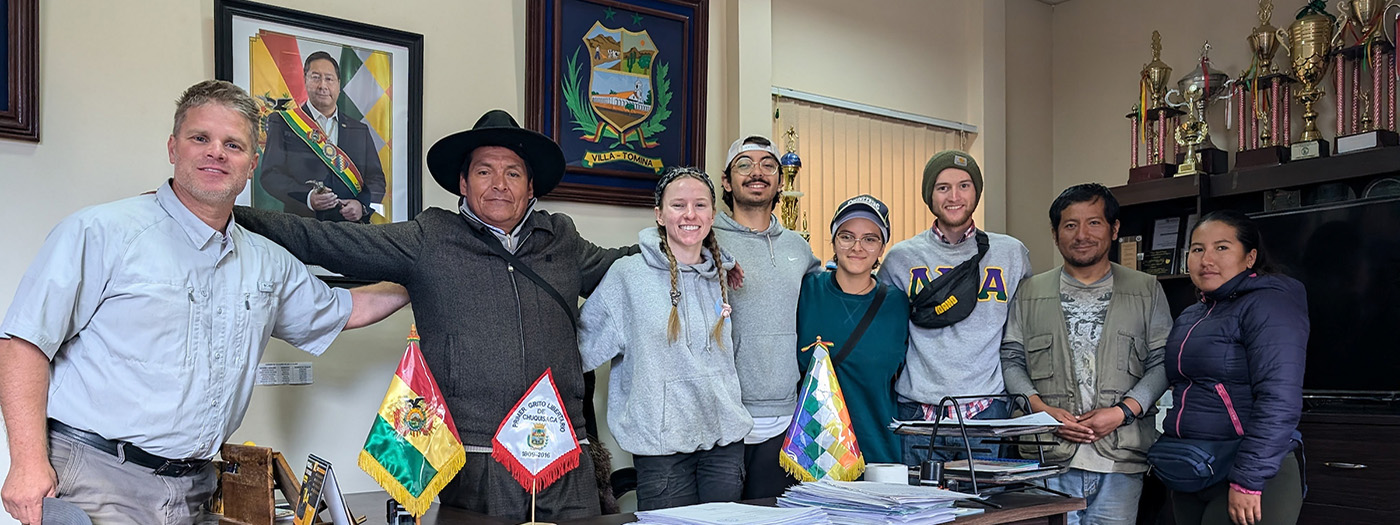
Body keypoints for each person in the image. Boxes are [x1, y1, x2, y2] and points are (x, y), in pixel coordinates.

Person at [0, 80, 409, 525]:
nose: (216, 152)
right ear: (173, 148)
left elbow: (344, 309)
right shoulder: (98, 232)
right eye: (201, 138)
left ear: (252, 164)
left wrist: (421, 278)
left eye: (232, 144)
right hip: (97, 479)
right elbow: (24, 344)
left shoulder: (267, 262)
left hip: (197, 489)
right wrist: (25, 463)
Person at [234, 109, 637, 521]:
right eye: (484, 172)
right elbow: (324, 240)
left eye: (513, 174)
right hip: (478, 464)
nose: (499, 184)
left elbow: (629, 270)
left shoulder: (563, 239)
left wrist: (685, 236)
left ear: (530, 185)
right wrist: (227, 215)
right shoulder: (430, 238)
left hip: (566, 462)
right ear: (463, 183)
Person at [578, 167, 751, 511]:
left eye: (700, 205)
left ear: (712, 214)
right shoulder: (628, 276)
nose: (690, 214)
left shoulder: (721, 274)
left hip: (725, 443)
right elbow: (581, 348)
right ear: (659, 214)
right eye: (678, 205)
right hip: (662, 451)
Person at [999, 183, 1171, 525]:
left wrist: (1123, 411)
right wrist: (1042, 411)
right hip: (1046, 460)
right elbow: (1011, 358)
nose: (1082, 235)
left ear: (1114, 228)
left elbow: (1163, 361)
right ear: (1054, 232)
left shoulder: (1145, 290)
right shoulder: (1030, 292)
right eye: (1070, 225)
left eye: (1094, 223)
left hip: (1120, 461)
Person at [876, 149, 1032, 465]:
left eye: (964, 185)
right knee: (921, 511)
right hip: (917, 410)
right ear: (929, 196)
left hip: (986, 409)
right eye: (943, 187)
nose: (954, 196)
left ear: (976, 193)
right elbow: (885, 335)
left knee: (984, 511)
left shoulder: (1011, 253)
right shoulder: (900, 258)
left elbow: (1025, 332)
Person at [1161, 210, 1307, 525]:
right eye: (1198, 249)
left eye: (1222, 248)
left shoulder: (1269, 305)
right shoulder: (1192, 314)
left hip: (1248, 472)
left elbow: (1279, 399)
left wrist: (1248, 480)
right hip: (1194, 468)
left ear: (1250, 257)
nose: (1206, 259)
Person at [712, 135, 822, 499]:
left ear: (779, 180)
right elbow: (654, 243)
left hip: (784, 417)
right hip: (723, 415)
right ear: (727, 181)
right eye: (744, 164)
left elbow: (825, 298)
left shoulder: (798, 247)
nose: (756, 173)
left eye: (767, 165)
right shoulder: (705, 238)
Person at [795, 195, 908, 465]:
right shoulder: (805, 292)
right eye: (847, 236)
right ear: (833, 241)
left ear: (882, 248)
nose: (857, 247)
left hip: (877, 451)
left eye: (870, 239)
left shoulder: (898, 305)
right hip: (811, 453)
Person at [259, 51, 387, 223]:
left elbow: (376, 179)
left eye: (329, 78)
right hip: (301, 225)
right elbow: (271, 175)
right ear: (305, 80)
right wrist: (308, 197)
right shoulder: (283, 122)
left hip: (351, 230)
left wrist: (361, 205)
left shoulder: (359, 129)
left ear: (338, 85)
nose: (322, 85)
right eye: (315, 77)